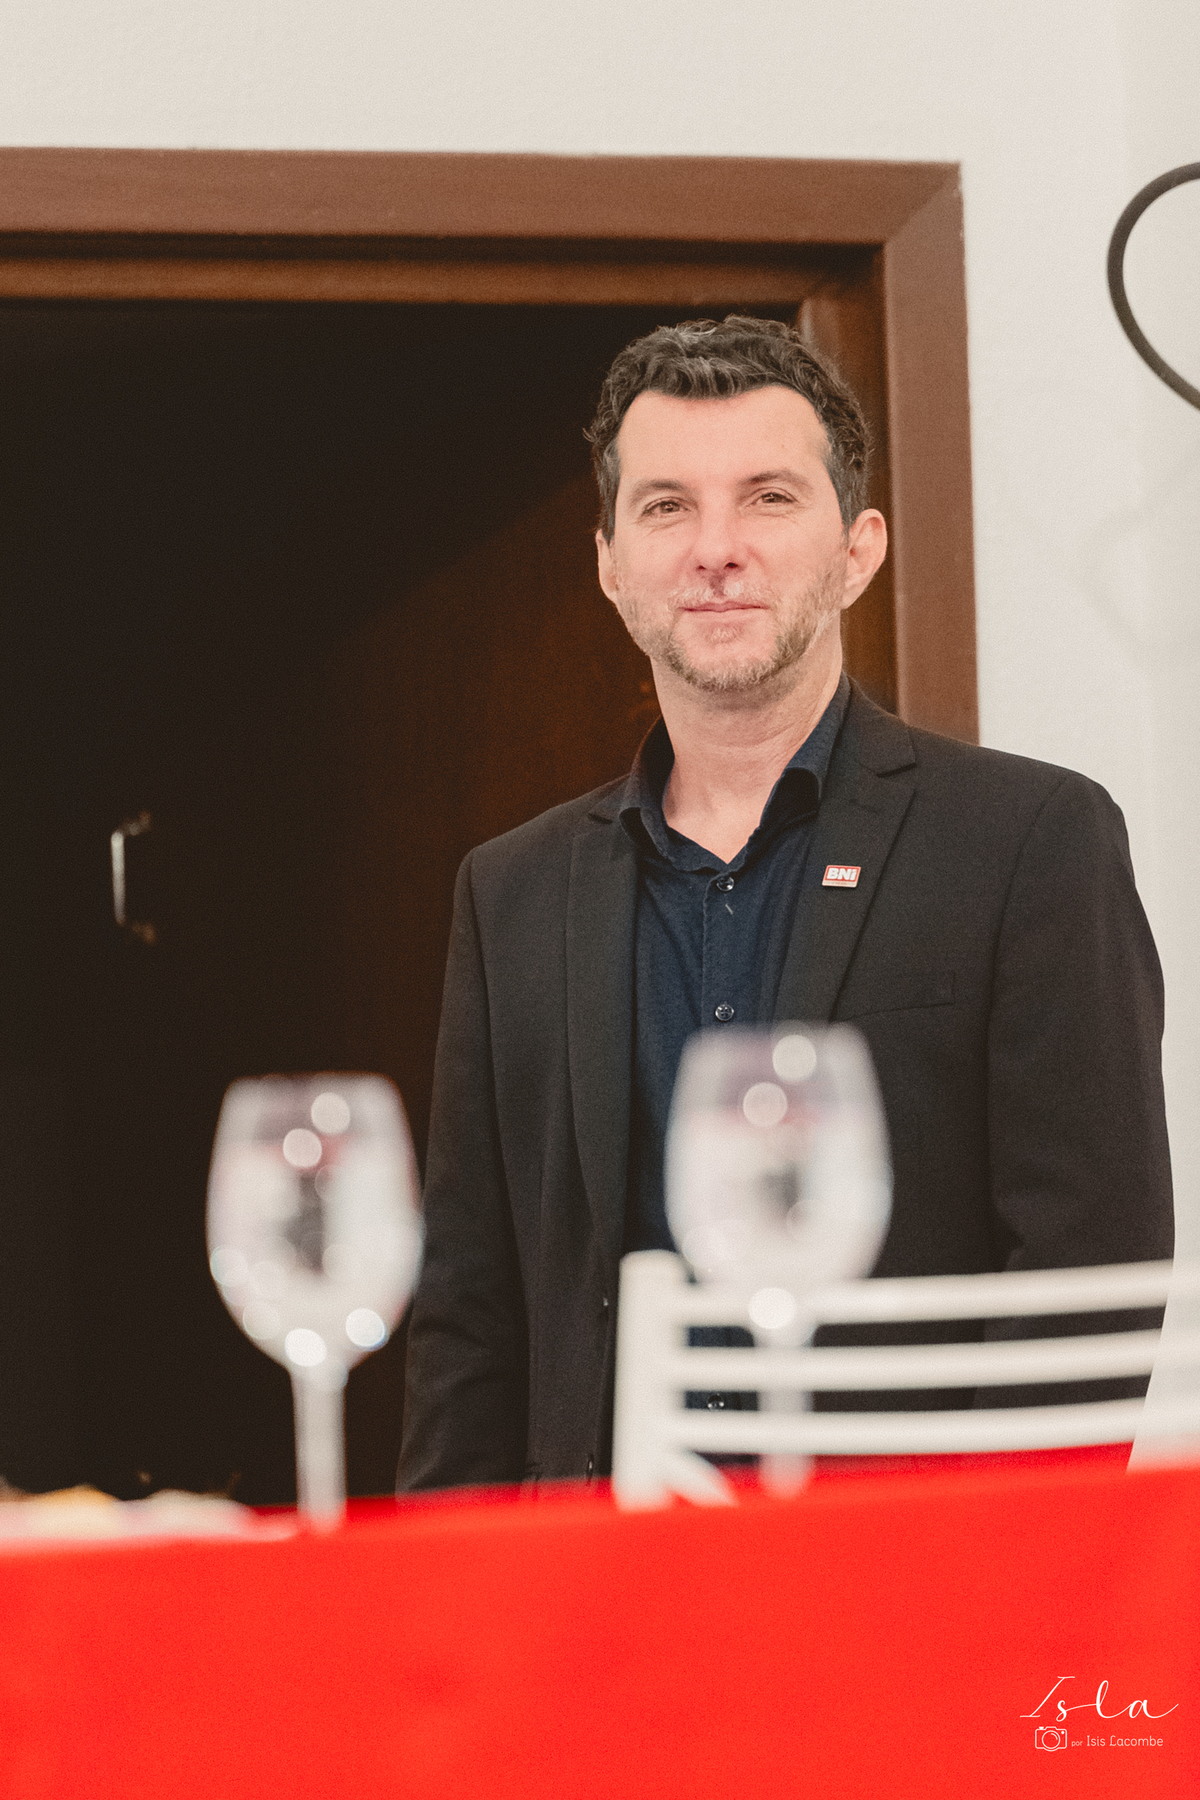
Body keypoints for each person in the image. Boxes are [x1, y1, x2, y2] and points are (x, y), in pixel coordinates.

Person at [397, 315, 1173, 1492]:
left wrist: (989, 1573)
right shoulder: (508, 892)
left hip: (903, 1569)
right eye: (667, 506)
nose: (716, 549)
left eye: (767, 498)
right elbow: (469, 1311)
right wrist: (454, 1594)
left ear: (858, 550)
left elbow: (1089, 1274)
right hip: (601, 1573)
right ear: (610, 565)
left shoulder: (1030, 842)